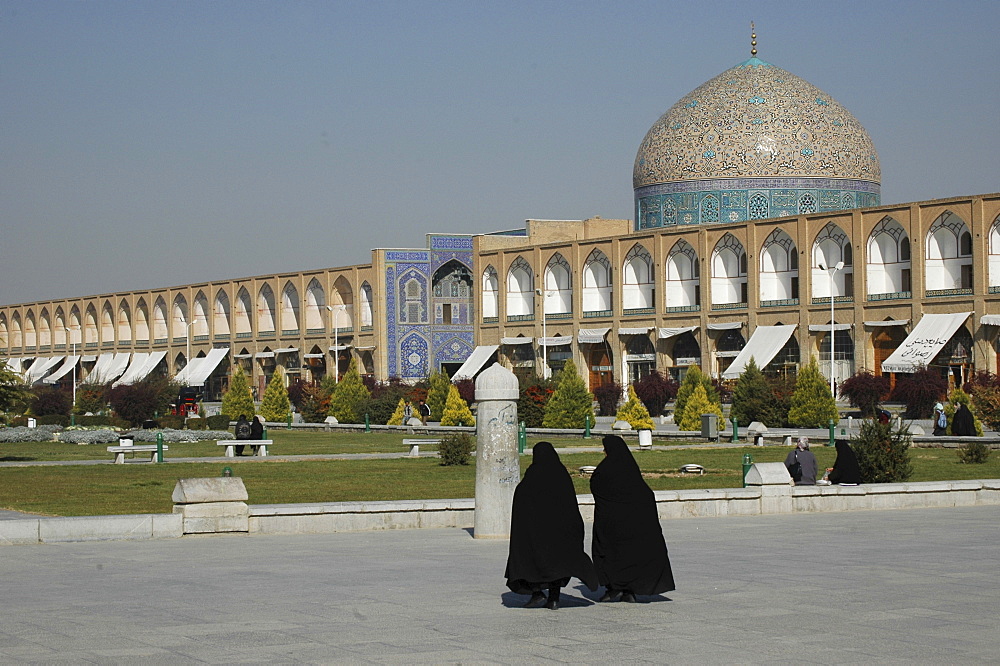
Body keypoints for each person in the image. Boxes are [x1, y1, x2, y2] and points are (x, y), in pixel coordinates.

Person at [505, 442, 598, 610]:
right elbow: (570, 503)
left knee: (535, 561)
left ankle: (537, 593)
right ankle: (554, 598)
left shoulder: (532, 476)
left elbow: (521, 501)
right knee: (557, 563)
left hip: (536, 533)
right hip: (559, 533)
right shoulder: (561, 474)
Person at [590, 435, 675, 603]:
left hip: (611, 524)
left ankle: (614, 588)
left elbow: (597, 487)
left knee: (611, 553)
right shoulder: (630, 467)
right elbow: (645, 496)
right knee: (632, 554)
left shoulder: (605, 469)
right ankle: (630, 590)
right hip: (634, 525)